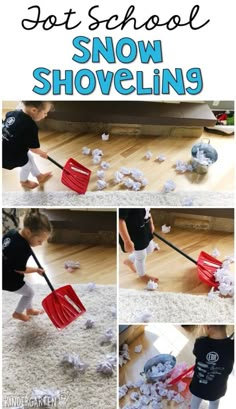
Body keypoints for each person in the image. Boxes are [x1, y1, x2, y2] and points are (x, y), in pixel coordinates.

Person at [2, 208, 52, 322]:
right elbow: (20, 270)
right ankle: (17, 313)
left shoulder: (12, 232)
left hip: (4, 268)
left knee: (28, 287)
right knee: (30, 293)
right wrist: (36, 270)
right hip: (7, 279)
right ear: (28, 232)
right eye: (39, 241)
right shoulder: (23, 248)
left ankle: (29, 310)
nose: (40, 244)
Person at [2, 101, 53, 189]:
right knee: (27, 166)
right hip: (11, 155)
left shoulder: (12, 113)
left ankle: (39, 176)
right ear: (34, 110)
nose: (46, 116)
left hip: (6, 147)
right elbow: (34, 149)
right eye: (45, 113)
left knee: (30, 158)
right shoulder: (30, 127)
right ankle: (24, 181)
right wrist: (42, 153)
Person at [189, 325, 234, 409]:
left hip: (198, 385)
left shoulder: (200, 342)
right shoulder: (232, 347)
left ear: (207, 327)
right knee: (214, 404)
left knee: (194, 401)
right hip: (216, 389)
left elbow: (196, 353)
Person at [119, 208, 159, 282]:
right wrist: (127, 241)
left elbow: (148, 211)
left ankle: (130, 260)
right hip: (133, 234)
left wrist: (151, 223)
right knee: (141, 256)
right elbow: (120, 220)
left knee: (150, 248)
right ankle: (142, 275)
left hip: (144, 228)